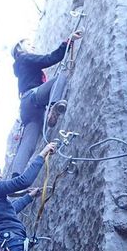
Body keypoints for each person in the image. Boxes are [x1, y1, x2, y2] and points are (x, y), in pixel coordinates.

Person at [8, 32, 81, 175]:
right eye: (29, 44)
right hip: (33, 97)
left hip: (28, 109)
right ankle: (55, 106)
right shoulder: (24, 58)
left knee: (27, 145)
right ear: (19, 48)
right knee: (61, 77)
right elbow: (49, 59)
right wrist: (68, 42)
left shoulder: (21, 65)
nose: (33, 46)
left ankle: (15, 178)